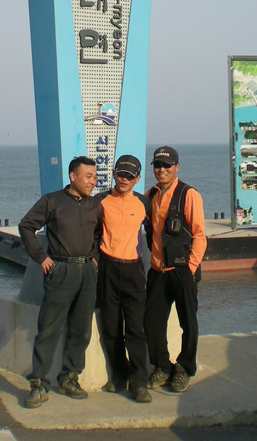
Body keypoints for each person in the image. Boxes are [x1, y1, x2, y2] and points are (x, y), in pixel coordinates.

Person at [18, 156, 102, 409]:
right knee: (48, 329)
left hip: (87, 272)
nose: (93, 181)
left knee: (81, 330)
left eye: (95, 176)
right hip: (60, 270)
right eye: (88, 176)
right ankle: (39, 385)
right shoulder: (52, 201)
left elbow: (99, 233)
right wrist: (40, 257)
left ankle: (69, 378)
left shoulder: (95, 205)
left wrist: (95, 258)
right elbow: (26, 226)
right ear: (73, 177)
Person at [143, 145, 207, 394]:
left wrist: (190, 268)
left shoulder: (189, 194)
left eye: (167, 165)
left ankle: (184, 368)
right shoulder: (151, 194)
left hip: (182, 271)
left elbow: (199, 235)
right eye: (158, 165)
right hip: (157, 271)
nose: (162, 170)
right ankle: (162, 366)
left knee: (188, 322)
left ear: (176, 167)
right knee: (152, 322)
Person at [95, 154, 152, 404]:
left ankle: (139, 382)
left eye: (129, 176)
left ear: (137, 179)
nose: (124, 179)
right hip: (107, 268)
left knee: (136, 328)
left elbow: (154, 231)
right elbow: (91, 232)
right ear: (113, 174)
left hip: (133, 270)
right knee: (110, 328)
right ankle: (119, 375)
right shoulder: (100, 201)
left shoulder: (144, 203)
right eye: (121, 174)